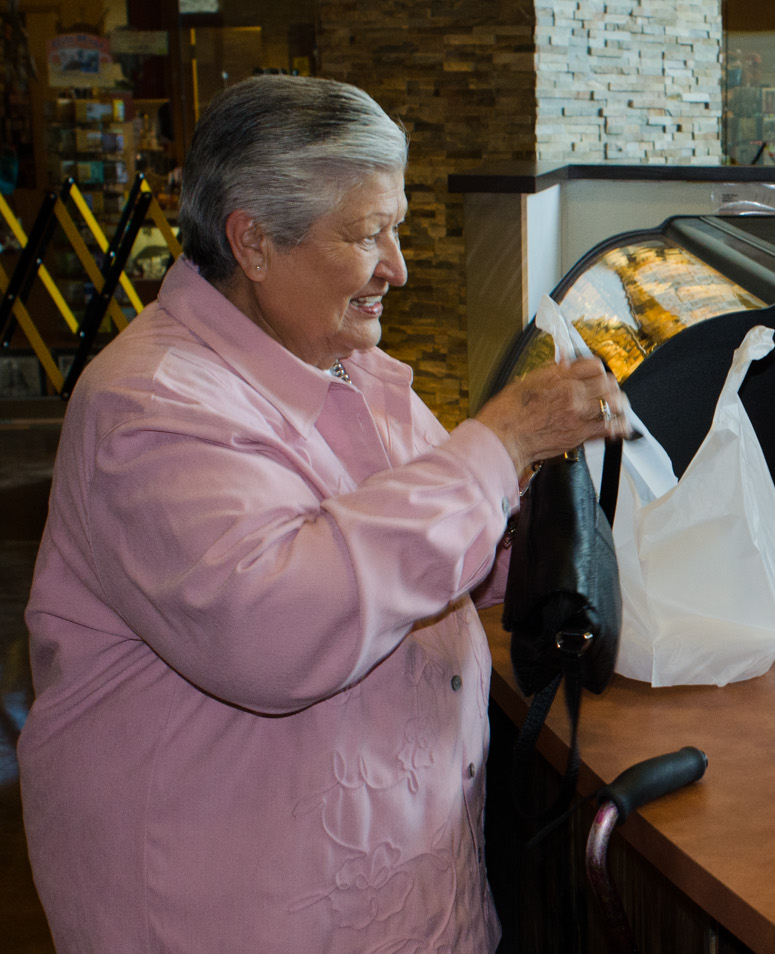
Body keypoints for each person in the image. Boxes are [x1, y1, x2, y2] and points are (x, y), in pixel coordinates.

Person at [19, 74, 627, 953]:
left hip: (396, 907)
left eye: (398, 229)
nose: (398, 268)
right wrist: (496, 448)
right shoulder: (149, 406)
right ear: (254, 242)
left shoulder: (347, 367)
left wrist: (533, 521)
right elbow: (277, 628)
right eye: (368, 233)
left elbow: (432, 558)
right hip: (225, 919)